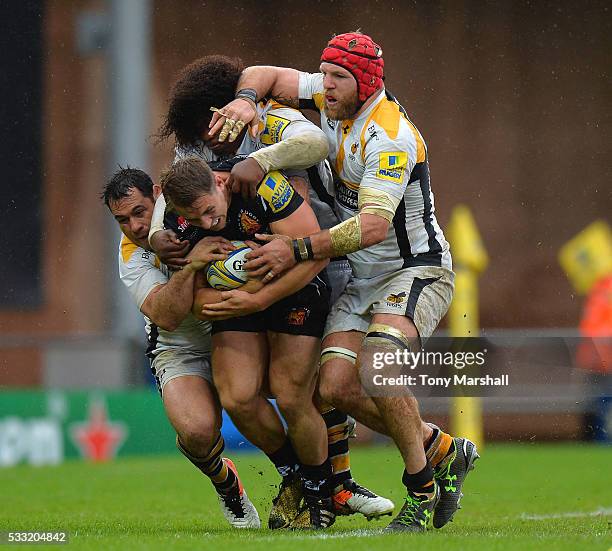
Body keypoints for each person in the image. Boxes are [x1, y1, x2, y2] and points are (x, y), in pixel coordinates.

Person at [208, 32, 479, 532]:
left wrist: (296, 247)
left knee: (377, 370)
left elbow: (374, 225)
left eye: (338, 78)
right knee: (333, 387)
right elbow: (263, 75)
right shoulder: (330, 96)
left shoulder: (390, 135)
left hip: (415, 269)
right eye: (324, 74)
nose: (325, 87)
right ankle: (443, 449)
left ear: (366, 83)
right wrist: (246, 103)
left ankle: (420, 490)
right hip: (363, 276)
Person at [151, 55, 394, 524]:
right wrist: (162, 234)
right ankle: (312, 483)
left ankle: (337, 486)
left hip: (321, 253)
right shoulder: (196, 156)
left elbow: (315, 142)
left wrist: (258, 160)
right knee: (243, 396)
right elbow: (174, 201)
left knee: (309, 391)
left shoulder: (267, 119)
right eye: (198, 124)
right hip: (245, 275)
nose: (207, 131)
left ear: (225, 106)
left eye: (210, 118)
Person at [161, 155, 341, 529]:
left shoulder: (264, 186)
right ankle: (295, 475)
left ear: (220, 183)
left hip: (295, 289)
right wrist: (197, 264)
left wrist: (260, 297)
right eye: (195, 220)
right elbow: (192, 300)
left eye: (210, 211)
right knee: (237, 397)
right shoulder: (176, 221)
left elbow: (318, 255)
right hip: (237, 300)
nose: (207, 224)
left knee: (291, 396)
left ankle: (320, 495)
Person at [101, 167, 260, 529]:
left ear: (157, 196)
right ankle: (226, 485)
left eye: (139, 212)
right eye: (122, 220)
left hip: (233, 327)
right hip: (177, 346)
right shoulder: (130, 255)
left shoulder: (193, 211)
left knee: (289, 391)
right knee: (198, 432)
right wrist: (192, 266)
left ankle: (318, 481)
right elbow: (166, 316)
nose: (135, 227)